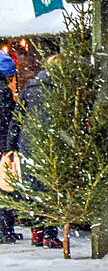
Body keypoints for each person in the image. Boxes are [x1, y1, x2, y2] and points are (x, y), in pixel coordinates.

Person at [16, 60, 60, 249]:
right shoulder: (60, 88)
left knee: (34, 188)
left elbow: (18, 117)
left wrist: (11, 146)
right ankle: (50, 234)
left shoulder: (30, 86)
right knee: (52, 187)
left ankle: (37, 231)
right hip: (52, 141)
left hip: (28, 142)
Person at [0, 50, 20, 243]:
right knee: (6, 187)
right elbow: (7, 122)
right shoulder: (4, 93)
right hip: (2, 145)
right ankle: (5, 230)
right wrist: (9, 146)